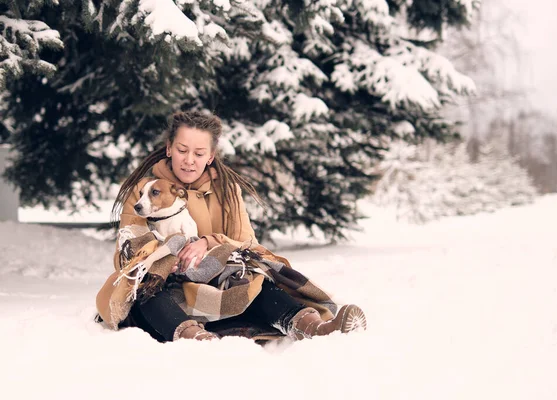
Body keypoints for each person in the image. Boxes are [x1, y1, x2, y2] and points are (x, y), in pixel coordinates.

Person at [95, 110, 366, 342]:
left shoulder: (226, 190)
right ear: (169, 149)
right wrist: (167, 254)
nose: (189, 160)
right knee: (148, 292)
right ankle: (195, 338)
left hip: (216, 286)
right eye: (182, 150)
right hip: (167, 287)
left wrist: (208, 242)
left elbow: (247, 243)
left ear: (210, 156)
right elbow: (128, 250)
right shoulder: (145, 191)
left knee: (258, 285)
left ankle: (313, 328)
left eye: (199, 153)